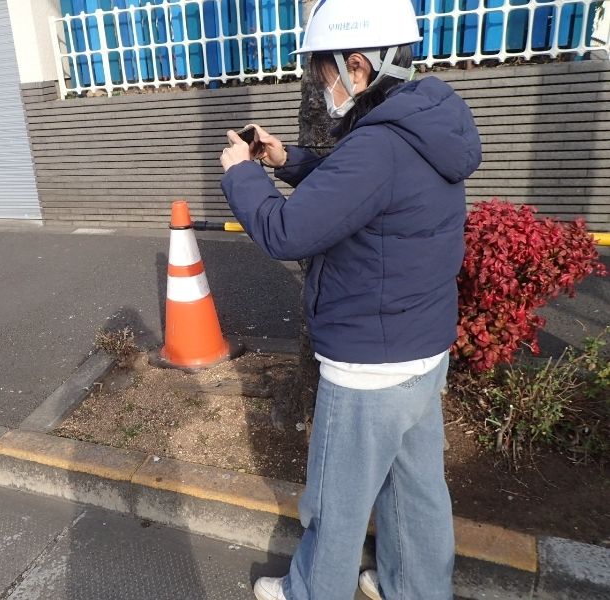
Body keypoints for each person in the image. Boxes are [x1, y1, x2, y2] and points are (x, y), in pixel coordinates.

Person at [218, 1, 482, 599]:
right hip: (421, 349)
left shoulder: (378, 146)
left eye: (324, 73)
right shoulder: (421, 123)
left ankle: (311, 591)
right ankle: (413, 587)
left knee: (336, 501)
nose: (322, 86)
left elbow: (287, 232)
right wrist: (286, 160)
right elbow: (358, 191)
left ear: (357, 66)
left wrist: (241, 174)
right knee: (415, 489)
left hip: (369, 363)